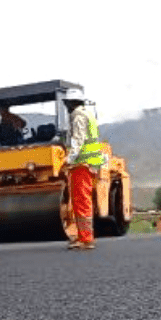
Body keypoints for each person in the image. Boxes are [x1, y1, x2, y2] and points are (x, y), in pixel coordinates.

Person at [64, 99, 107, 250]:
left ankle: (86, 238)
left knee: (81, 201)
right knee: (81, 201)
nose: (65, 107)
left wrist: (69, 159)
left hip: (82, 164)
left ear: (71, 103)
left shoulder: (78, 116)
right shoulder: (87, 113)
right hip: (88, 163)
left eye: (66, 103)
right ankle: (83, 235)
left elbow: (78, 140)